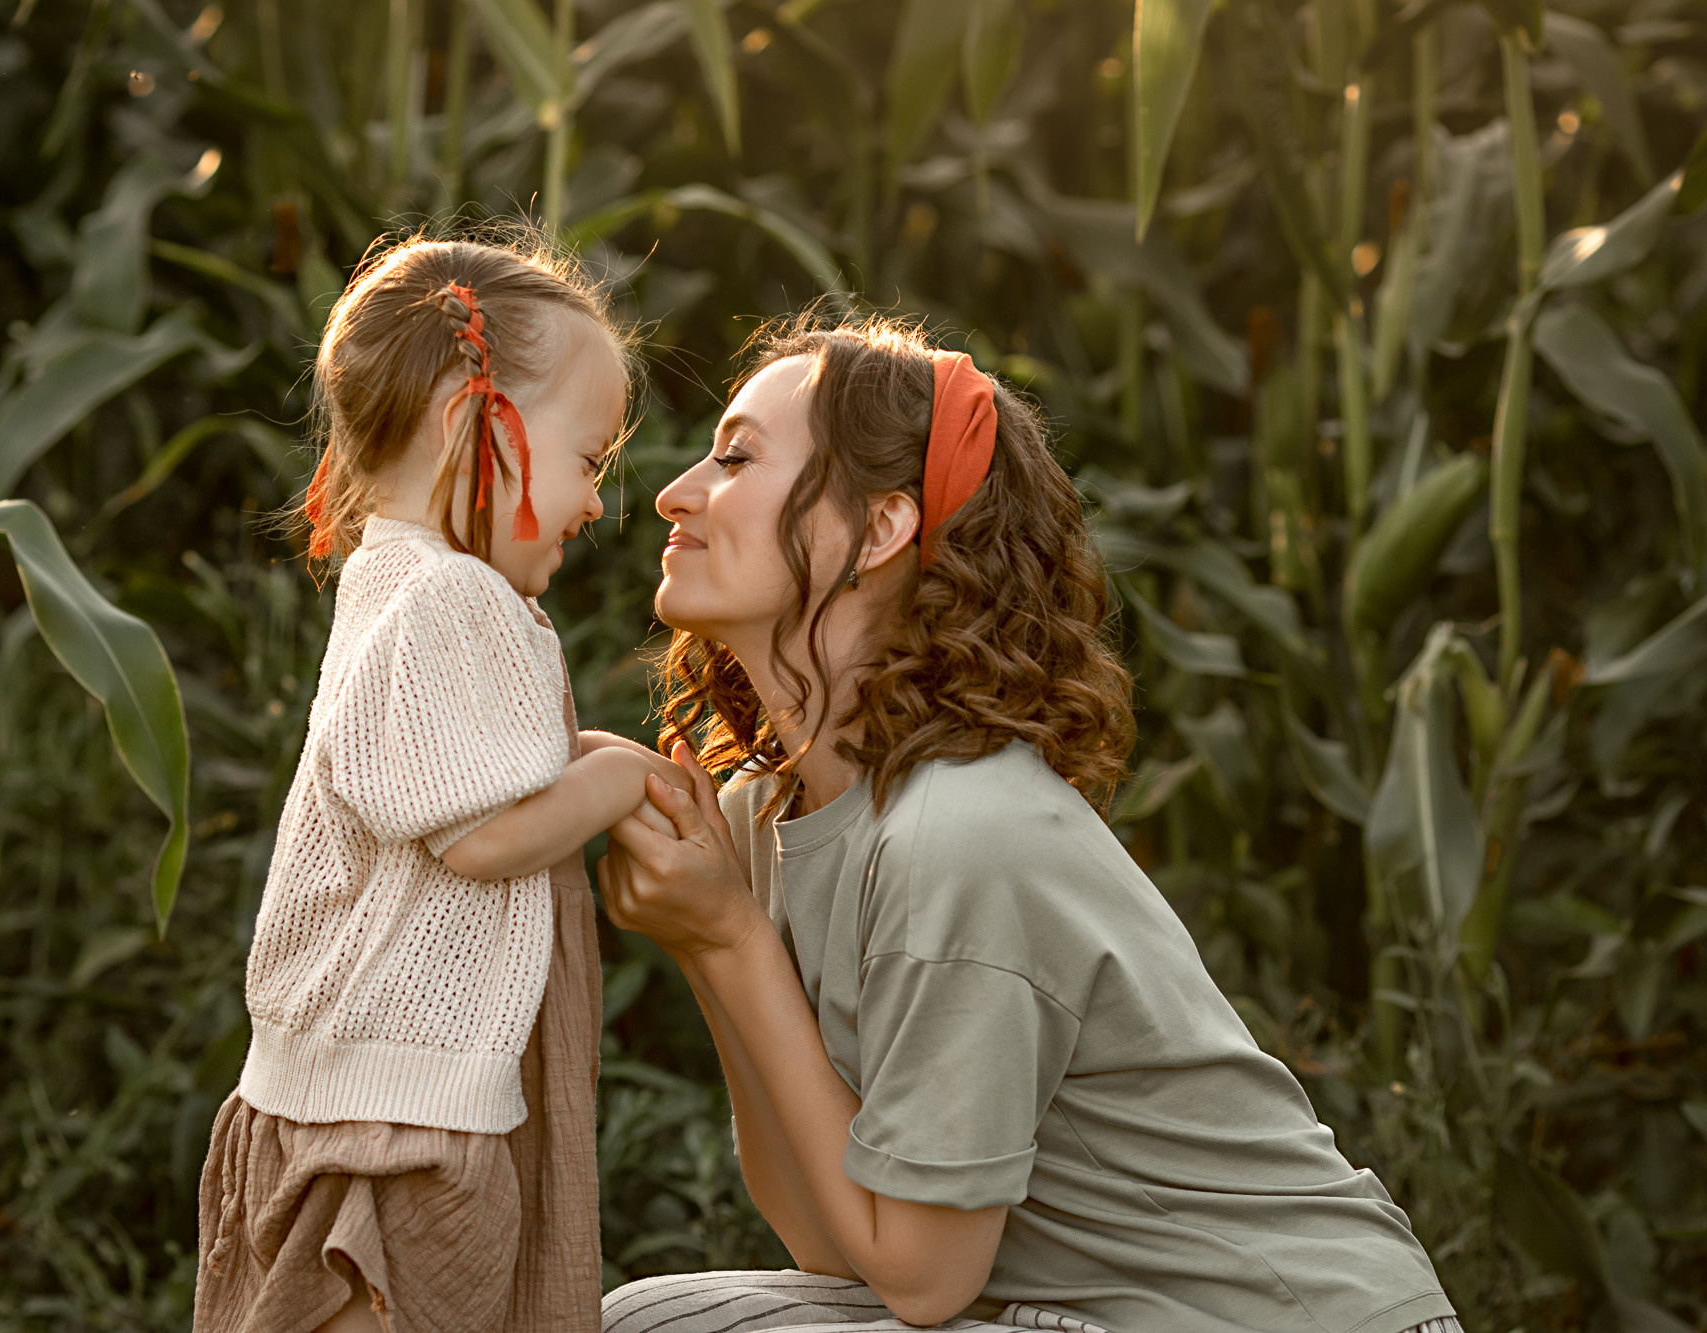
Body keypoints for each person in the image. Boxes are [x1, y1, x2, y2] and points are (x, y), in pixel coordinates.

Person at [597, 317, 1463, 1333]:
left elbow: (919, 1280)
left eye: (735, 456)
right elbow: (835, 1246)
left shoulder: (960, 831)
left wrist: (726, 937)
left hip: (1292, 1319)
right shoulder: (769, 813)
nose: (675, 490)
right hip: (1080, 1315)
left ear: (879, 530)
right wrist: (712, 941)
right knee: (641, 1317)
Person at [193, 235, 679, 1333]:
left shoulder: (404, 583)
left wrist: (596, 760)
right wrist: (623, 783)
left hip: (369, 1096)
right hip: (392, 1127)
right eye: (590, 459)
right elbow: (480, 836)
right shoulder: (446, 597)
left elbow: (479, 783)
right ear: (474, 426)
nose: (597, 502)